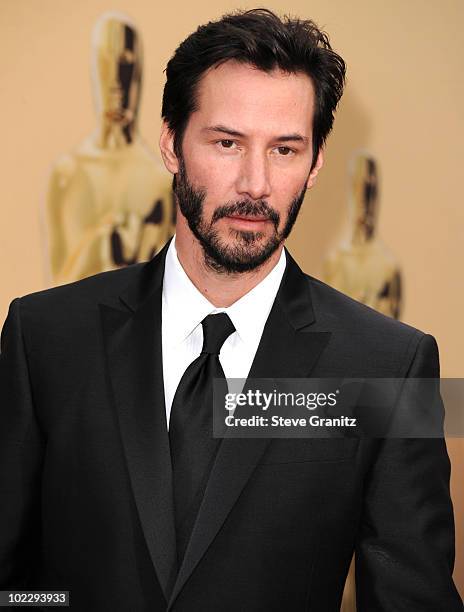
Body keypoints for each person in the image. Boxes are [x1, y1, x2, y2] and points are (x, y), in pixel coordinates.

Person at [0, 8, 462, 612]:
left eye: (285, 149)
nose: (255, 184)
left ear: (316, 163)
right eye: (226, 143)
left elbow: (414, 598)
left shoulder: (391, 365)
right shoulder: (44, 338)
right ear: (170, 144)